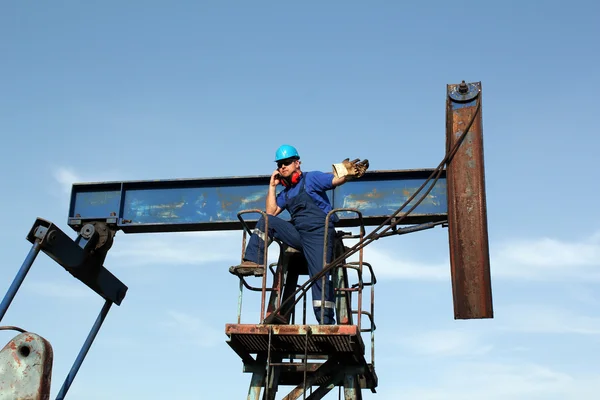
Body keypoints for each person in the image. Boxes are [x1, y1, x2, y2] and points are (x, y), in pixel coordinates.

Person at [231, 144, 369, 325]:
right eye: (280, 164)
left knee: (319, 278)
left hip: (320, 234)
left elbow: (334, 179)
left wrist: (345, 172)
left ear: (297, 163)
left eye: (287, 163)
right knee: (266, 220)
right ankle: (253, 261)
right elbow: (271, 211)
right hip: (299, 234)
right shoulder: (287, 192)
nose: (282, 167)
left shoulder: (311, 179)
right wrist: (272, 186)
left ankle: (325, 323)